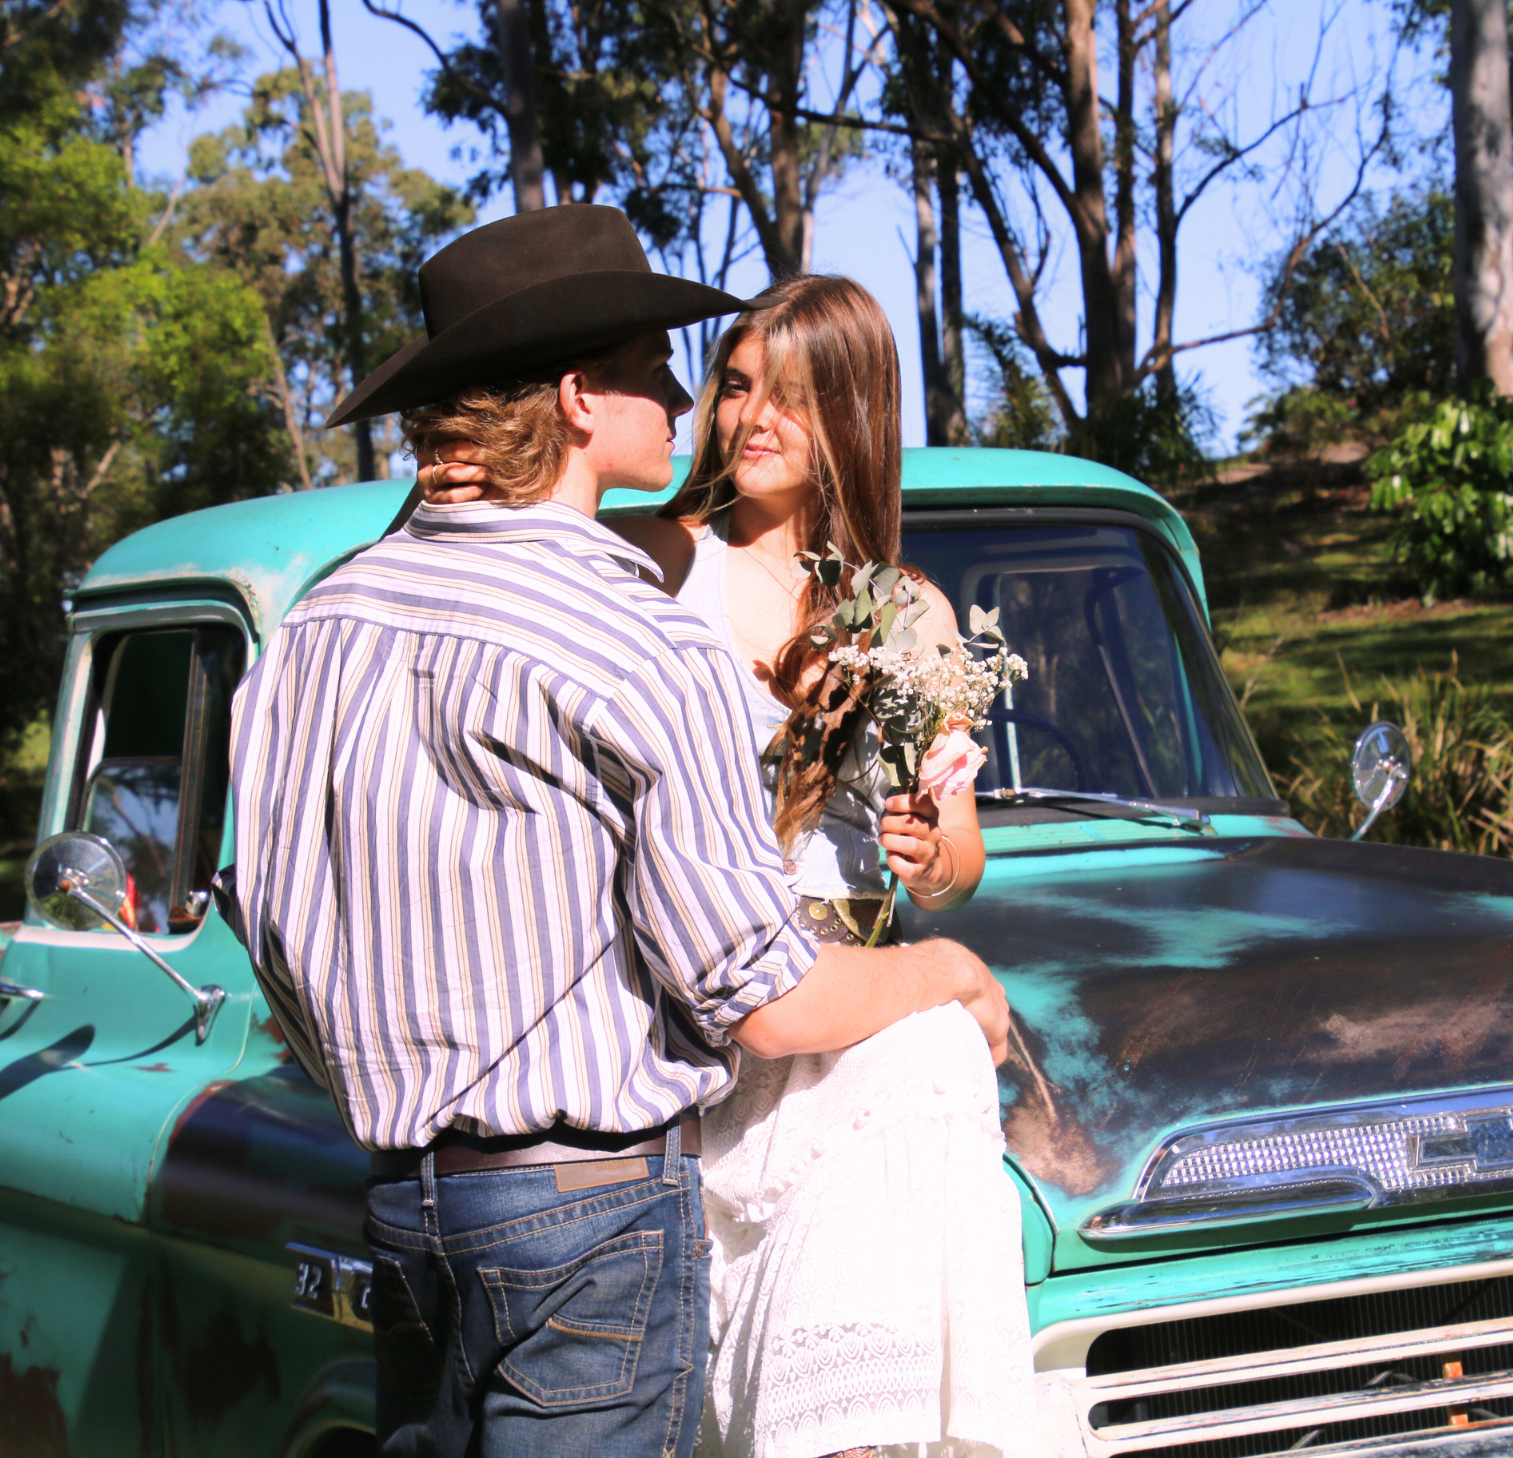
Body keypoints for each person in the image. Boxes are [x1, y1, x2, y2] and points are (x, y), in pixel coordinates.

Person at [224, 206, 1010, 1458]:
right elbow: (758, 996)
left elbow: (268, 916)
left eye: (781, 394)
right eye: (673, 370)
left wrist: (390, 1080)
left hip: (412, 1192)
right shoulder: (639, 614)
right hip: (622, 1164)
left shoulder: (318, 626)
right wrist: (949, 971)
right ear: (580, 397)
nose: (700, 404)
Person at [426, 275, 1037, 1458]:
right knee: (932, 1051)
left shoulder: (906, 611)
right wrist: (460, 487)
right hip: (693, 1011)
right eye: (739, 386)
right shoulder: (653, 558)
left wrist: (928, 854)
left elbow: (960, 856)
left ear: (852, 413)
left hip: (845, 1004)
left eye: (792, 398)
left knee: (922, 1062)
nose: (752, 418)